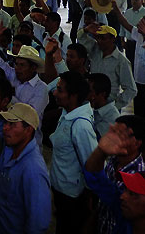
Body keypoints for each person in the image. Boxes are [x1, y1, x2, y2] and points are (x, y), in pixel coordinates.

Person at [0, 102, 51, 234]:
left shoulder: (33, 170)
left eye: (11, 124)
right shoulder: (10, 147)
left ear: (28, 130)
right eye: (5, 123)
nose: (5, 128)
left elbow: (38, 224)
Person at [50, 71, 98, 234]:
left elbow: (92, 163)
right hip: (61, 191)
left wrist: (89, 197)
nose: (55, 93)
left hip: (72, 197)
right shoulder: (67, 113)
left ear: (74, 96)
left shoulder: (81, 126)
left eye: (60, 90)